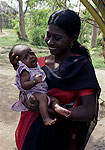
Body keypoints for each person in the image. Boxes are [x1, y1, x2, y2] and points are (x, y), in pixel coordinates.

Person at [10, 9, 101, 150]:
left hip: (60, 136)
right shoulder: (37, 63)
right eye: (48, 35)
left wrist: (47, 111)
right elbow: (26, 93)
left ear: (72, 38)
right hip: (31, 130)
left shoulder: (81, 66)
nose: (50, 41)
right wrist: (20, 71)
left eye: (57, 38)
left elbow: (88, 111)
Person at [9, 44, 70, 126]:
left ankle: (56, 107)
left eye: (31, 53)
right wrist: (35, 81)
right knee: (43, 98)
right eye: (26, 57)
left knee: (53, 99)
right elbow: (24, 85)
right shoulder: (25, 71)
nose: (31, 57)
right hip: (32, 94)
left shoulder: (36, 65)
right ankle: (45, 118)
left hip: (40, 93)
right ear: (20, 63)